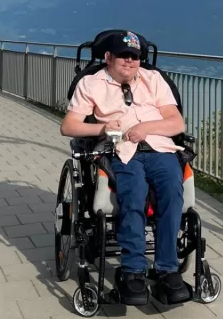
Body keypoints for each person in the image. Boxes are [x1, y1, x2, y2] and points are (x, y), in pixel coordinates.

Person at [60, 30, 189, 305]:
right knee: (133, 196)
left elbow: (177, 124)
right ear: (109, 57)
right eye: (124, 56)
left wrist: (145, 128)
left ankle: (167, 269)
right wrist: (102, 127)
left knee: (171, 192)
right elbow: (68, 126)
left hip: (160, 148)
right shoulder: (91, 83)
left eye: (135, 57)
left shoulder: (154, 79)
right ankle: (133, 271)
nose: (130, 62)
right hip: (119, 150)